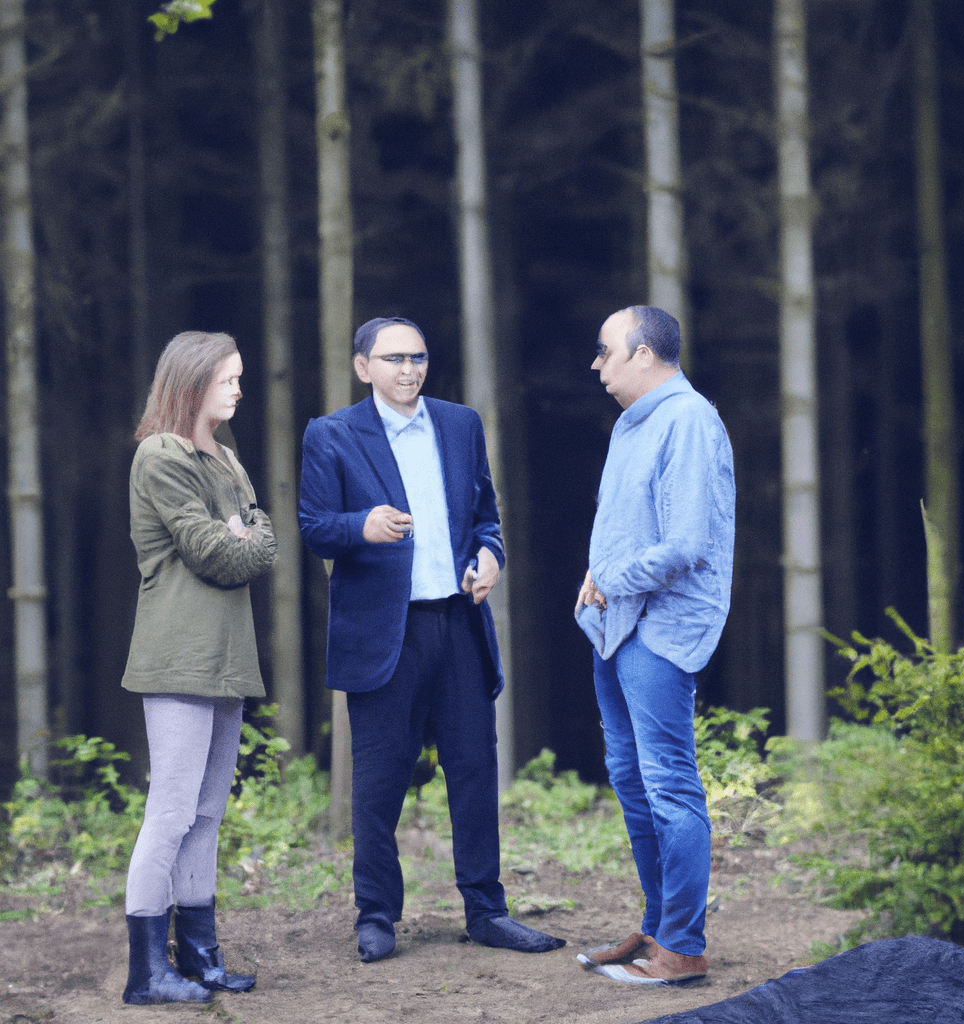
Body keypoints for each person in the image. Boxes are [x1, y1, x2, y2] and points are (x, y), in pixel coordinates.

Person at [298, 316, 565, 963]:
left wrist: (491, 554)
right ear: (364, 367)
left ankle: (486, 910)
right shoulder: (331, 434)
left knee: (474, 771)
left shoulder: (459, 424)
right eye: (394, 358)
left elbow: (485, 516)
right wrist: (361, 525)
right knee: (379, 782)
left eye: (418, 357)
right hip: (384, 635)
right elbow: (313, 526)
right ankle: (376, 916)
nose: (409, 369)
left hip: (458, 624)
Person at [574, 306, 735, 986]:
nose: (596, 363)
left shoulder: (689, 420)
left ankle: (684, 950)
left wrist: (609, 577)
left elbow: (687, 544)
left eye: (606, 350)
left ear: (644, 354)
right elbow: (629, 524)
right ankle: (658, 927)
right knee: (633, 781)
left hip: (661, 630)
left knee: (669, 783)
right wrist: (596, 574)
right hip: (615, 628)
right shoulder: (630, 424)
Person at [120, 331, 277, 1004]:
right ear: (191, 382)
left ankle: (201, 957)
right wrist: (244, 534)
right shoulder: (161, 454)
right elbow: (222, 555)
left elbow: (260, 541)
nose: (240, 389)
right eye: (228, 379)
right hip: (178, 657)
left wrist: (250, 532)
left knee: (208, 813)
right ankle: (145, 973)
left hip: (228, 659)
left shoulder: (228, 457)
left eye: (239, 378)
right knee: (173, 809)